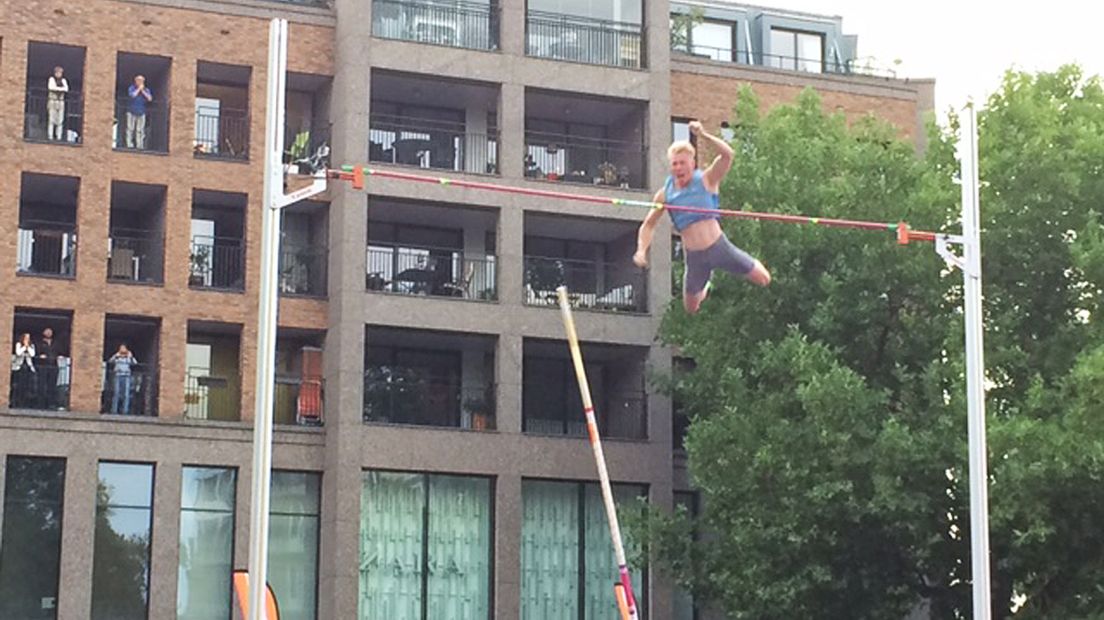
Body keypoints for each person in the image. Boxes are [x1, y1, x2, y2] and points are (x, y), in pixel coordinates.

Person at [633, 120, 770, 314]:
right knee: (691, 307)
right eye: (675, 164)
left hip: (719, 247)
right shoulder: (665, 194)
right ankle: (707, 284)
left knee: (764, 279)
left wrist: (704, 135)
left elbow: (728, 155)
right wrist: (641, 251)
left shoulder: (707, 179)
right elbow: (648, 225)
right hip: (695, 257)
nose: (679, 168)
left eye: (683, 163)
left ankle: (722, 272)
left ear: (693, 164)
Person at [107, 344, 139, 415]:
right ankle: (114, 410)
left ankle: (125, 411)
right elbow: (110, 361)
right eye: (121, 348)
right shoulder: (117, 357)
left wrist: (130, 356)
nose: (123, 350)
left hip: (127, 376)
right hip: (118, 375)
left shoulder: (128, 357)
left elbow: (135, 363)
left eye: (124, 348)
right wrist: (116, 355)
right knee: (116, 393)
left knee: (126, 394)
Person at [126, 75, 153, 149]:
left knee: (140, 130)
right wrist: (138, 89)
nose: (140, 82)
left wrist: (142, 91)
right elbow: (132, 95)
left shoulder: (146, 90)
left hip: (141, 112)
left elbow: (149, 98)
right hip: (131, 111)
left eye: (141, 81)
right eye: (138, 80)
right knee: (130, 129)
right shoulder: (132, 88)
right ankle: (129, 144)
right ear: (135, 81)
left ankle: (139, 145)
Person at [37, 328, 60, 409]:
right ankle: (41, 404)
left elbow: (59, 351)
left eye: (50, 331)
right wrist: (41, 356)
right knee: (42, 385)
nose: (49, 333)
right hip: (43, 366)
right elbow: (37, 351)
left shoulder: (55, 343)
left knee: (52, 385)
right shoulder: (40, 342)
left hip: (53, 365)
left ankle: (51, 403)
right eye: (47, 331)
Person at [11, 333, 36, 408]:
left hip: (28, 367)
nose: (27, 339)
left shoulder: (32, 346)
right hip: (19, 367)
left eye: (28, 338)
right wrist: (24, 346)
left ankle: (26, 403)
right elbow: (18, 353)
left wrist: (28, 346)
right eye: (26, 338)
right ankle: (17, 402)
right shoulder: (18, 344)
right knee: (18, 386)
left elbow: (32, 354)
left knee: (27, 386)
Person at [47, 66, 69, 141]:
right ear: (55, 73)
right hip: (53, 101)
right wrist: (60, 89)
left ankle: (58, 137)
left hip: (61, 102)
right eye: (58, 72)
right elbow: (51, 87)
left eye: (60, 72)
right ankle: (50, 136)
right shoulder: (51, 79)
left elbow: (66, 89)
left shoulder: (63, 80)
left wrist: (58, 89)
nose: (59, 74)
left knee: (60, 120)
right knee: (51, 119)